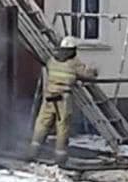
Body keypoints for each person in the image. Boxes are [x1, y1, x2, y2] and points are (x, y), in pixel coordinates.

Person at [30, 37, 98, 166]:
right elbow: (86, 74)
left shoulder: (52, 60)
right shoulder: (74, 63)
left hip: (49, 97)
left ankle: (33, 151)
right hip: (63, 99)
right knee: (62, 127)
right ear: (72, 50)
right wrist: (94, 71)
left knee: (42, 124)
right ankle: (60, 158)